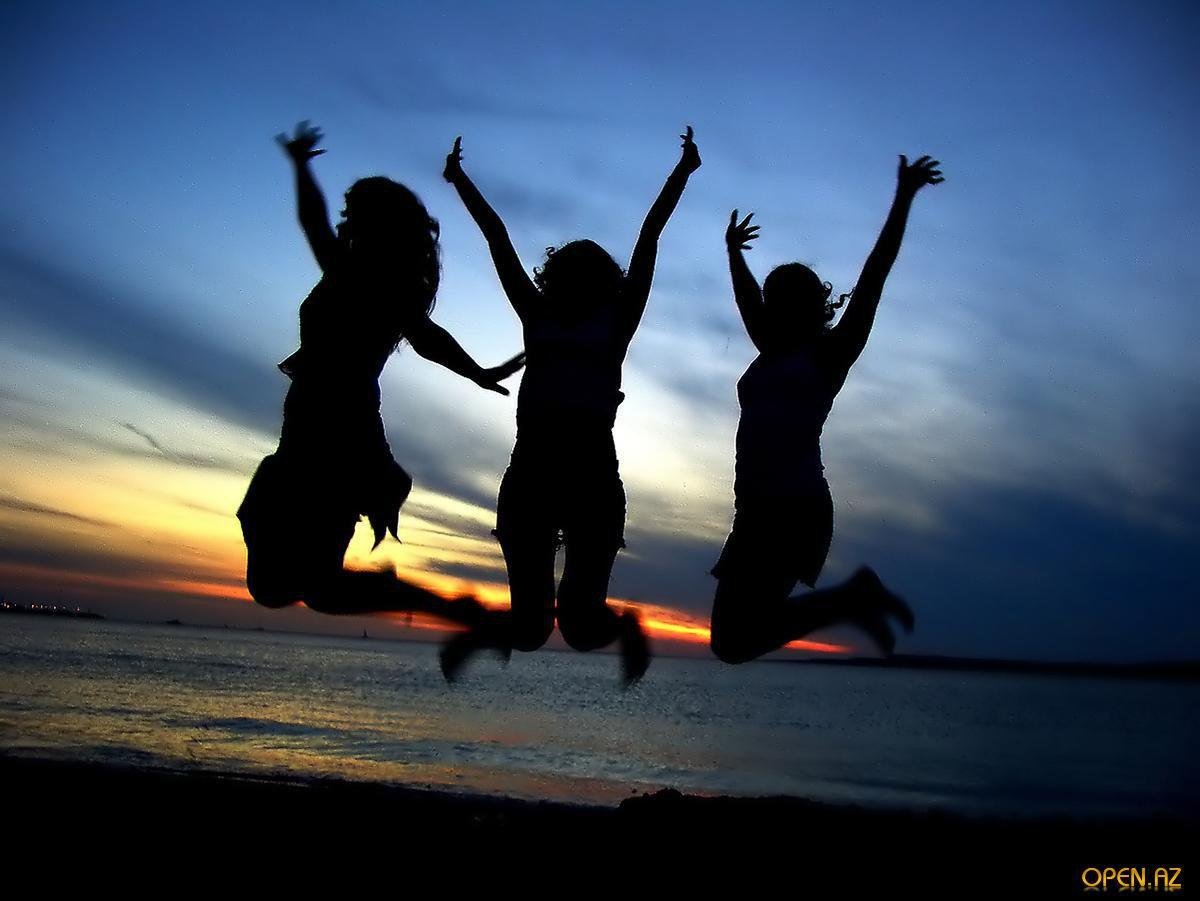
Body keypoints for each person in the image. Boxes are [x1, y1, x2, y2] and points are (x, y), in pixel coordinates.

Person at [439, 128, 702, 683]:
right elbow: (496, 238)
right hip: (532, 470)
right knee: (530, 629)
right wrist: (459, 180)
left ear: (604, 283)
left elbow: (650, 236)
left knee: (581, 628)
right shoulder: (537, 314)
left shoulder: (618, 319)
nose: (576, 282)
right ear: (555, 280)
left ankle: (625, 627)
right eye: (569, 275)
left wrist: (682, 173)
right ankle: (484, 631)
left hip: (591, 474)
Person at [238, 121, 523, 626]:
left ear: (378, 226)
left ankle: (441, 606)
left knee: (296, 586)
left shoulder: (368, 280)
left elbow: (427, 336)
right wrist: (477, 372)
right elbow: (428, 337)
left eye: (356, 214)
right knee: (289, 586)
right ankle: (439, 605)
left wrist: (477, 373)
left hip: (339, 434)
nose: (347, 221)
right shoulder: (363, 276)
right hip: (310, 429)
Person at [710, 154, 943, 664]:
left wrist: (904, 197)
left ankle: (851, 599)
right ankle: (851, 599)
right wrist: (733, 254)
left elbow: (875, 273)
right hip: (756, 508)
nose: (771, 306)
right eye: (772, 298)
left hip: (793, 507)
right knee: (731, 641)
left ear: (811, 305)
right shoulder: (769, 349)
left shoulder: (830, 354)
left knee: (734, 641)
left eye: (784, 298)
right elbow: (747, 298)